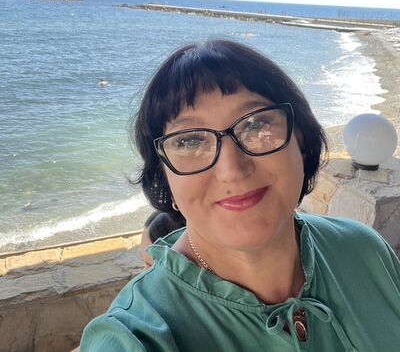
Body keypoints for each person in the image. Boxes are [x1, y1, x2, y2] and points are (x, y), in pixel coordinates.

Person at [81, 39, 400, 351]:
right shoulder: (137, 335)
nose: (231, 169)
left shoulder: (364, 250)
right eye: (190, 140)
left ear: (300, 142)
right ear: (165, 178)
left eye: (256, 124)